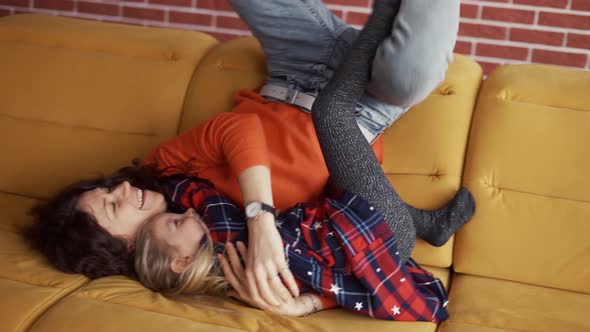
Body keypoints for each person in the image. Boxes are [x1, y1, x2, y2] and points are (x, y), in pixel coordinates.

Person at [26, 0, 462, 308]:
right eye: (111, 204)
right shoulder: (203, 258)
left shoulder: (163, 171)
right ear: (118, 246)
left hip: (299, 66)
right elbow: (334, 267)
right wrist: (299, 304)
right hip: (364, 105)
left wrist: (261, 218)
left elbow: (237, 127)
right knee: (413, 74)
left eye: (107, 188)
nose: (120, 187)